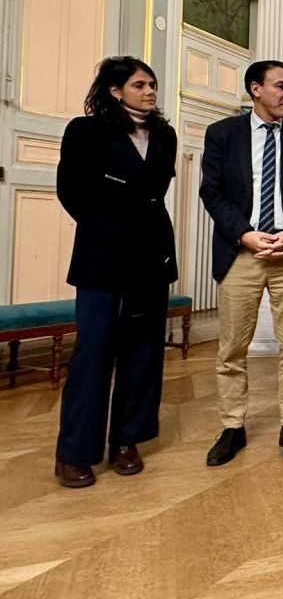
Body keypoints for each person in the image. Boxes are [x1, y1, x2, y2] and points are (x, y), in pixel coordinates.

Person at [54, 56, 178, 488]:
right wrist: (106, 226)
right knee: (93, 352)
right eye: (140, 85)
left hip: (152, 256)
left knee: (143, 351)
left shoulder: (164, 134)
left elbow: (156, 191)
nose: (150, 91)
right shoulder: (85, 130)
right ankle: (74, 453)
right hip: (101, 257)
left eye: (152, 84)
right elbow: (70, 191)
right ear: (114, 90)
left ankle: (127, 440)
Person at [199, 60, 283, 466]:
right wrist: (245, 234)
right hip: (240, 252)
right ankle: (232, 427)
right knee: (232, 349)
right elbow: (212, 191)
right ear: (256, 88)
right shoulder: (222, 133)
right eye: (281, 86)